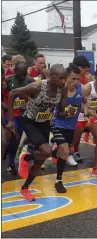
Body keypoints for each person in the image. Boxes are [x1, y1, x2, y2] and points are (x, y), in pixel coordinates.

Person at [6, 64, 68, 201]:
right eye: (61, 78)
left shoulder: (62, 89)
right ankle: (26, 157)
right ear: (51, 77)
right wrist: (10, 120)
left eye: (65, 78)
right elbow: (12, 94)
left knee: (39, 161)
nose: (63, 81)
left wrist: (67, 112)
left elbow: (62, 111)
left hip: (45, 122)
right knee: (46, 152)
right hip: (30, 122)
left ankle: (25, 188)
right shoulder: (37, 87)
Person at [51, 63, 89, 193]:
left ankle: (58, 179)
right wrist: (68, 112)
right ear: (66, 77)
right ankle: (58, 180)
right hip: (58, 125)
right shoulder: (60, 90)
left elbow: (84, 101)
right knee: (66, 152)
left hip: (71, 126)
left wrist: (87, 112)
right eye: (73, 78)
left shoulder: (81, 89)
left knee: (63, 154)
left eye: (78, 79)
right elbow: (59, 113)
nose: (76, 81)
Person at [71, 69, 97, 176]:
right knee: (73, 142)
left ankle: (96, 168)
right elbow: (79, 106)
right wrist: (94, 114)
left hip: (92, 115)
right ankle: (65, 152)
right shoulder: (87, 88)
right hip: (81, 116)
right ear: (96, 78)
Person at [2, 61, 35, 174]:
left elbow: (35, 97)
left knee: (22, 138)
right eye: (20, 74)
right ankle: (11, 163)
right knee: (14, 137)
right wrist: (2, 103)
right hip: (9, 113)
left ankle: (16, 154)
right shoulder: (7, 80)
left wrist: (27, 104)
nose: (22, 77)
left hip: (22, 114)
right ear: (15, 71)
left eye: (24, 74)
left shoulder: (30, 80)